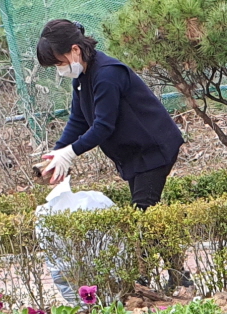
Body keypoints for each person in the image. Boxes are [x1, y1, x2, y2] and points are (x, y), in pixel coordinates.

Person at [34, 19, 184, 210]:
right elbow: (78, 120)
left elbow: (103, 126)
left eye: (60, 63)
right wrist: (58, 153)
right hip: (134, 152)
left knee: (143, 216)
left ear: (75, 50)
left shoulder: (107, 74)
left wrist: (70, 153)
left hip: (153, 148)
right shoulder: (81, 76)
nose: (60, 70)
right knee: (144, 216)